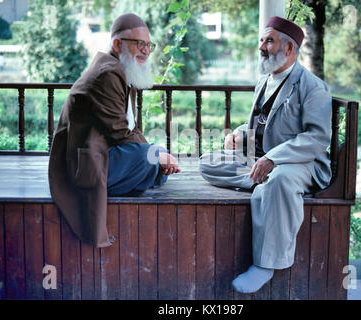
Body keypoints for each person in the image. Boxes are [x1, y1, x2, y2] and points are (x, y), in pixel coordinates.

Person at [199, 16, 332, 293]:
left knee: (280, 180)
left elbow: (317, 138)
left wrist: (274, 159)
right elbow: (259, 124)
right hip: (259, 157)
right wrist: (237, 134)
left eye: (269, 40)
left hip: (299, 161)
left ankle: (265, 265)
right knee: (207, 164)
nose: (262, 46)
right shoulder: (265, 81)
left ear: (289, 49)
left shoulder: (313, 87)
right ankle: (262, 184)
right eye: (261, 40)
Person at [49, 13, 180, 248]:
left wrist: (157, 154)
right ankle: (149, 172)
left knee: (154, 153)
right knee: (148, 157)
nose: (146, 51)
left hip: (102, 154)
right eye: (139, 44)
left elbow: (131, 128)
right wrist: (154, 157)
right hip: (81, 168)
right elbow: (120, 133)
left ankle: (150, 170)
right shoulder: (107, 74)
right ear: (117, 44)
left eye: (149, 45)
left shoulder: (119, 71)